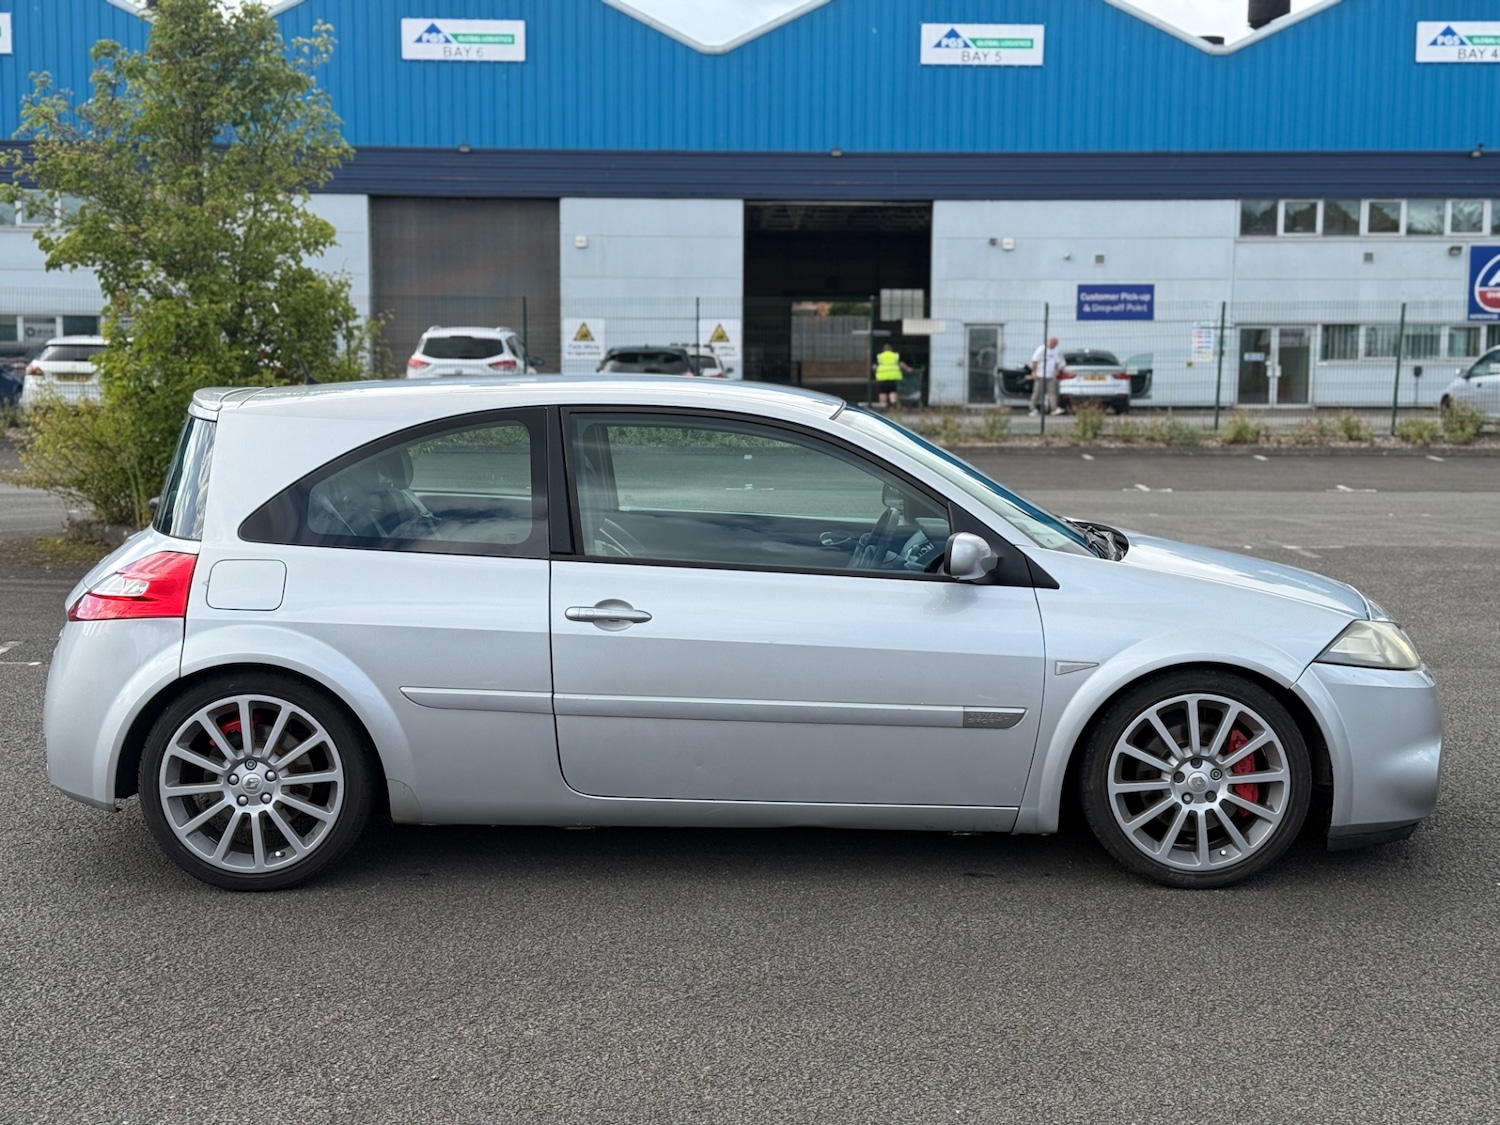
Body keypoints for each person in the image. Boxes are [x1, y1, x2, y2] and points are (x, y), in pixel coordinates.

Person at [1029, 336, 1066, 416]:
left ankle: (1054, 409)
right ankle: (1032, 408)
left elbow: (1057, 361)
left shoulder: (1056, 350)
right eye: (1054, 344)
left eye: (1056, 344)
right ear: (1049, 342)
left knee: (1052, 393)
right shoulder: (1041, 349)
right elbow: (1034, 360)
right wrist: (1033, 371)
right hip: (1040, 374)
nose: (1055, 345)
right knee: (1037, 392)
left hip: (1050, 375)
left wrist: (1056, 370)